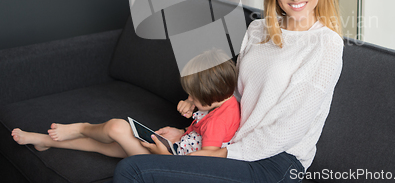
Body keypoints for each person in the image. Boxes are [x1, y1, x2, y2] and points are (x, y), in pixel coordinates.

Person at [113, 0, 345, 182]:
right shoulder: (258, 29)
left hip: (277, 162)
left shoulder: (325, 44)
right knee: (137, 156)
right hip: (233, 144)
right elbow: (232, 98)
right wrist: (188, 134)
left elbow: (289, 129)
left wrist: (216, 154)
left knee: (133, 169)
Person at [11, 49, 240, 158]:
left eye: (192, 96)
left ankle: (80, 126)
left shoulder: (221, 119)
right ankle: (44, 141)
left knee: (116, 127)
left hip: (170, 162)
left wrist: (166, 156)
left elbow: (210, 154)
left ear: (211, 96)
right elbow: (199, 133)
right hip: (173, 148)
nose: (188, 99)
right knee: (105, 146)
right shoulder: (219, 102)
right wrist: (181, 131)